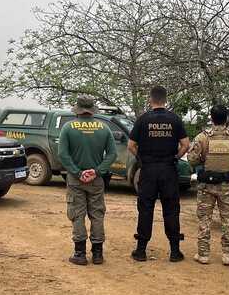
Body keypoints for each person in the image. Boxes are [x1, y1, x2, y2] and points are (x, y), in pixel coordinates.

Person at [128, 85, 191, 262]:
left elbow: (131, 145)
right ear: (165, 99)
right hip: (168, 169)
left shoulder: (142, 120)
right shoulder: (175, 119)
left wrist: (141, 158)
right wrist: (176, 156)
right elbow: (186, 144)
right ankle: (175, 251)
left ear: (151, 99)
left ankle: (141, 251)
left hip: (148, 169)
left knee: (145, 209)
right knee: (171, 209)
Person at [187, 105, 229, 265]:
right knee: (228, 220)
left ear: (211, 117)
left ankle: (203, 254)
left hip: (206, 186)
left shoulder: (202, 137)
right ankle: (227, 255)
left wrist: (204, 159)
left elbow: (192, 159)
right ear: (227, 117)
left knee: (204, 219)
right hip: (226, 186)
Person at [58, 95, 117, 266]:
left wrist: (77, 173)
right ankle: (98, 254)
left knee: (77, 214)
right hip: (96, 180)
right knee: (97, 215)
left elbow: (63, 154)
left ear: (77, 109)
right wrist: (97, 171)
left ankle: (80, 254)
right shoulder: (104, 128)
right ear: (92, 109)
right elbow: (112, 154)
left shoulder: (68, 127)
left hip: (76, 180)